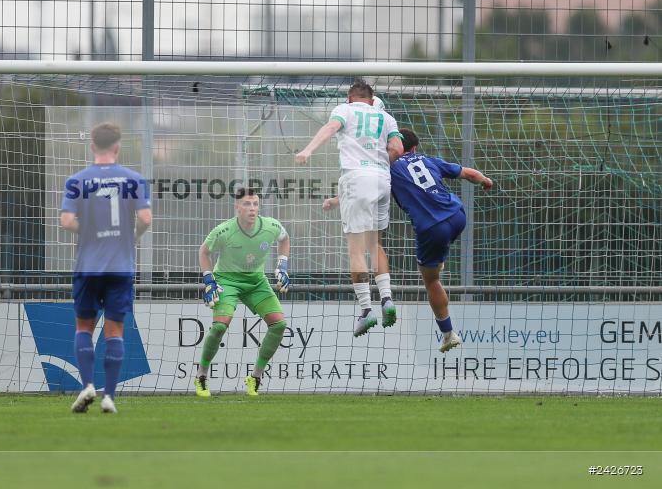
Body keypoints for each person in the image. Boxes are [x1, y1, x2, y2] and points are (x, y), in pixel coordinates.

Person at [295, 80, 404, 337]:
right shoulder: (386, 117)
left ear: (349, 97)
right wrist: (376, 160)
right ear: (372, 98)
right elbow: (397, 148)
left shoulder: (344, 110)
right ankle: (387, 298)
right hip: (381, 179)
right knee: (375, 243)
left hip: (356, 178)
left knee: (355, 248)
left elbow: (331, 127)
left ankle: (366, 310)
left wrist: (308, 150)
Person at [60, 122, 152, 414]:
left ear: (92, 146)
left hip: (88, 265)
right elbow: (146, 219)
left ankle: (87, 384)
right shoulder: (134, 179)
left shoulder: (77, 180)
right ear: (117, 147)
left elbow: (66, 221)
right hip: (121, 265)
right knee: (115, 331)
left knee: (84, 327)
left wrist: (89, 232)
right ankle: (109, 396)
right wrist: (132, 236)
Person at [389, 127, 493, 352]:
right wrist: (485, 180)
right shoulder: (429, 160)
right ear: (415, 147)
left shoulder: (388, 168)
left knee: (431, 280)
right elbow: (470, 174)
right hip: (457, 216)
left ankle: (448, 334)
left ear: (393, 147)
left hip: (431, 228)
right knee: (438, 253)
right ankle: (439, 257)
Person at [194, 188, 291, 398]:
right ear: (237, 207)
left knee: (279, 324)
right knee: (220, 325)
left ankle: (255, 376)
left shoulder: (270, 226)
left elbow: (285, 239)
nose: (252, 208)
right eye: (247, 204)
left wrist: (282, 265)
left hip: (256, 281)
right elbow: (204, 251)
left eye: (255, 204)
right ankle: (201, 374)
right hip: (227, 280)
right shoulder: (224, 230)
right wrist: (208, 279)